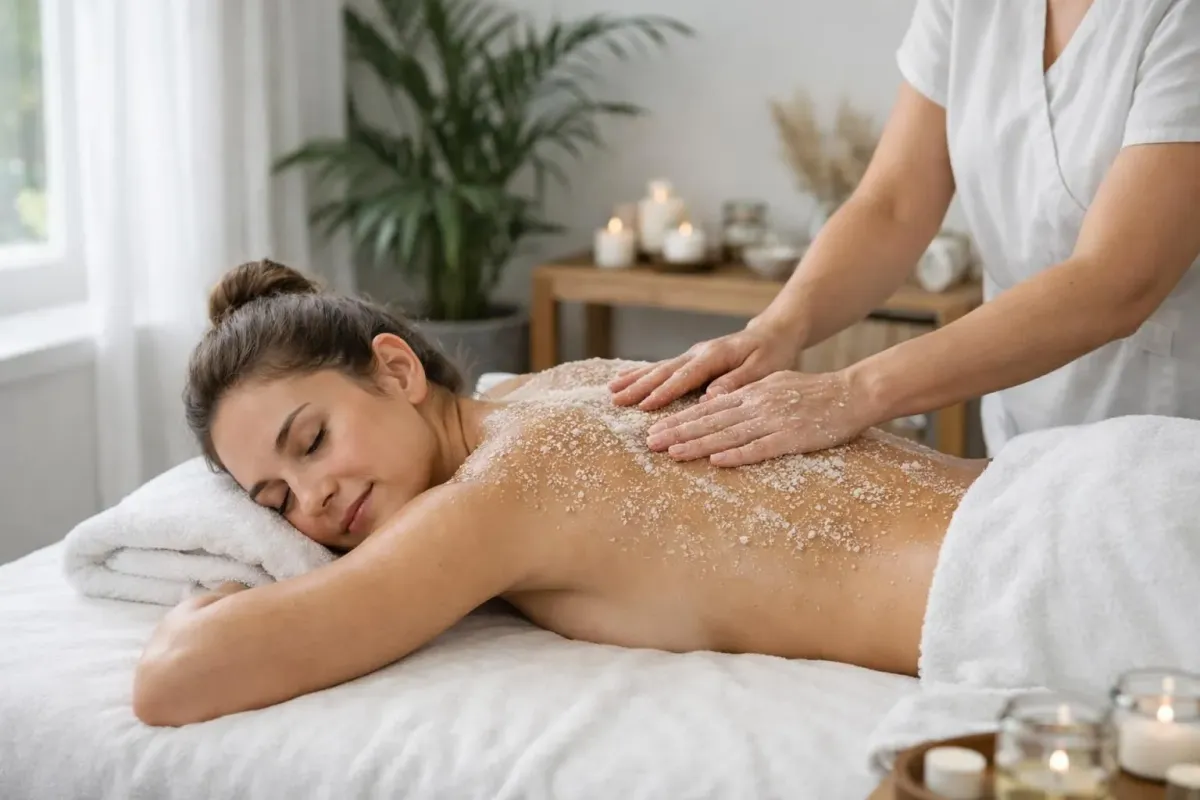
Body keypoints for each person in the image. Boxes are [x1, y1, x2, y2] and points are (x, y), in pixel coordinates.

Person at [132, 260, 991, 727]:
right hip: (1042, 490)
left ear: (397, 370)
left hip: (1027, 577)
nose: (313, 502)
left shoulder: (497, 493)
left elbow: (173, 681)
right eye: (276, 501)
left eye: (312, 441)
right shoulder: (561, 386)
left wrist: (196, 609)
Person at [609, 0, 1200, 464]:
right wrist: (779, 327)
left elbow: (1118, 280)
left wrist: (855, 392)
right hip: (1024, 419)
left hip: (1169, 426)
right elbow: (893, 204)